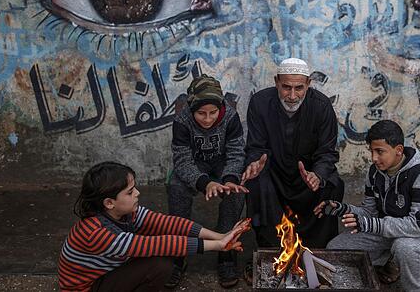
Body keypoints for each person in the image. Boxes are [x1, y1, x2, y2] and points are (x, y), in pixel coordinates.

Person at [58, 161, 249, 292]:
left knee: (162, 251)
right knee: (160, 263)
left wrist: (220, 236)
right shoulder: (96, 232)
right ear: (109, 203)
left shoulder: (125, 213)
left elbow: (169, 224)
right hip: (86, 288)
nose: (138, 194)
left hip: (106, 274)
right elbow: (161, 244)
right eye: (130, 192)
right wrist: (219, 246)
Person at [316, 120, 420, 292]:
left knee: (404, 248)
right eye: (371, 151)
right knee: (335, 248)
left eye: (380, 152)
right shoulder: (375, 172)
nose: (373, 158)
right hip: (386, 229)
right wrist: (342, 209)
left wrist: (370, 225)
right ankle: (387, 262)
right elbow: (369, 212)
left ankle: (412, 287)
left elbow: (417, 226)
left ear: (398, 150)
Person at [241, 57, 345, 254]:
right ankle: (270, 252)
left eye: (299, 88)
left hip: (307, 175)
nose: (292, 95)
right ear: (276, 82)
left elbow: (327, 152)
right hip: (274, 173)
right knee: (256, 184)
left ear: (308, 84)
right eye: (286, 87)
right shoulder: (260, 103)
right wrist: (254, 163)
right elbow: (256, 147)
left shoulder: (321, 106)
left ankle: (316, 252)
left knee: (332, 184)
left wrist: (318, 175)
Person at [165, 74, 248, 288]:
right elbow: (182, 160)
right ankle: (178, 252)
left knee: (236, 191)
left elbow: (236, 153)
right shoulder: (182, 121)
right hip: (196, 164)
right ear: (192, 109)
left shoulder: (230, 116)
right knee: (176, 187)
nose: (208, 119)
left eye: (213, 113)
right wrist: (204, 183)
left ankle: (226, 249)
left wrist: (229, 179)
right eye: (201, 113)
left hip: (222, 164)